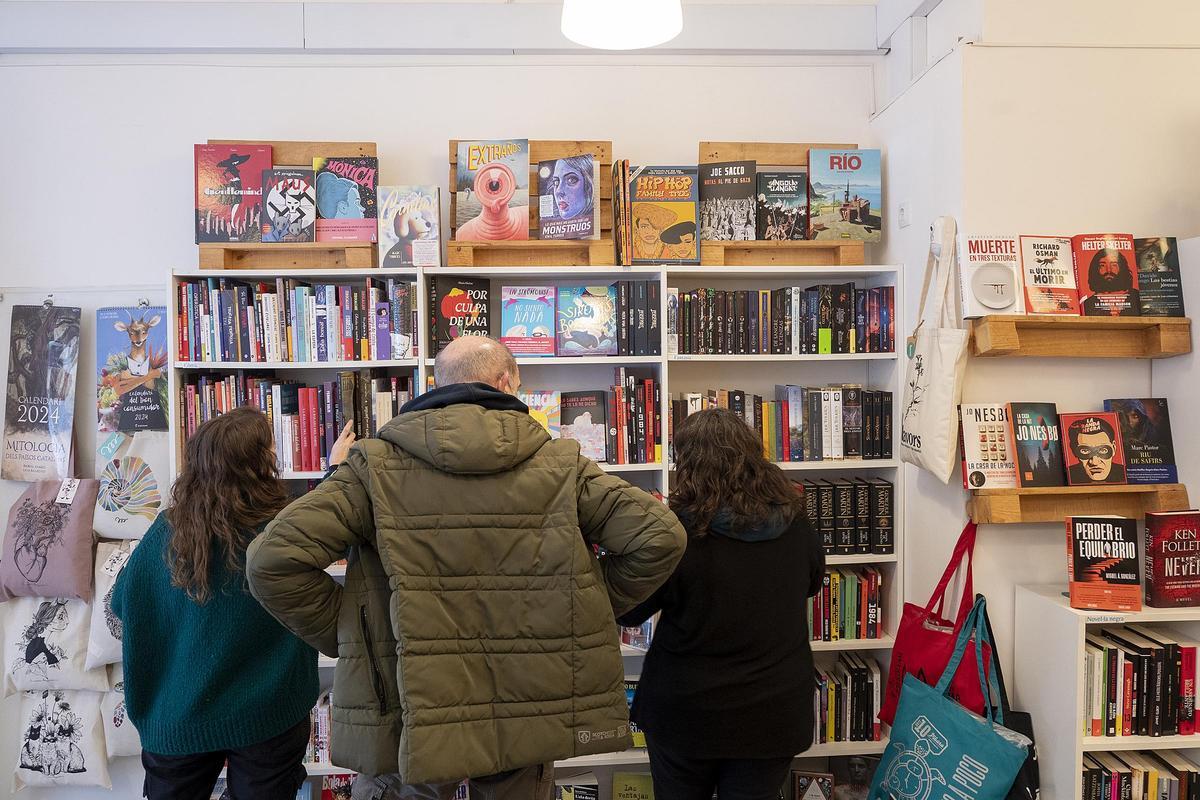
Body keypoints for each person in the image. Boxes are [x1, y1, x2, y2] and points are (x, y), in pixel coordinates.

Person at [245, 335, 687, 800]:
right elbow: (660, 537)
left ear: (438, 384)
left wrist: (352, 631)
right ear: (505, 382)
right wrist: (582, 607)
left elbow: (273, 561)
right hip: (526, 701)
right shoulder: (561, 465)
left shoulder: (372, 467)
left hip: (408, 698)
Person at [112, 407, 356, 800]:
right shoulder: (281, 528)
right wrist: (337, 474)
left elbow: (124, 603)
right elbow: (335, 529)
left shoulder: (169, 531)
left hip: (178, 716)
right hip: (266, 714)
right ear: (257, 466)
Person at [618, 408, 824, 800]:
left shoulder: (676, 532)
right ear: (753, 457)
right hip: (773, 711)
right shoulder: (796, 522)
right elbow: (812, 585)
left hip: (686, 711)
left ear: (689, 465)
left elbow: (631, 611)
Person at [1066, 415, 1126, 484]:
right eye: (1085, 451)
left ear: (1114, 448)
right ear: (1074, 450)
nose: (1094, 462)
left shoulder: (1125, 473)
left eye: (1103, 450)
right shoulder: (1068, 475)